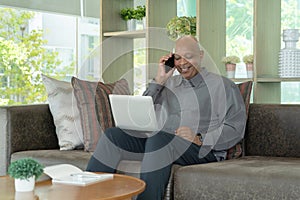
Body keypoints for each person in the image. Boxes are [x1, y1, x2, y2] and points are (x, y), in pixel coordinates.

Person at [86, 35, 247, 200]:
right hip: (158, 144)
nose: (182, 63)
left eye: (189, 56)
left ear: (201, 55)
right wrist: (159, 80)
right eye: (177, 58)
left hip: (201, 149)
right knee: (114, 135)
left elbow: (235, 128)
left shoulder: (222, 85)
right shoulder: (168, 84)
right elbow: (143, 112)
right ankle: (88, 196)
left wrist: (200, 138)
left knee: (160, 141)